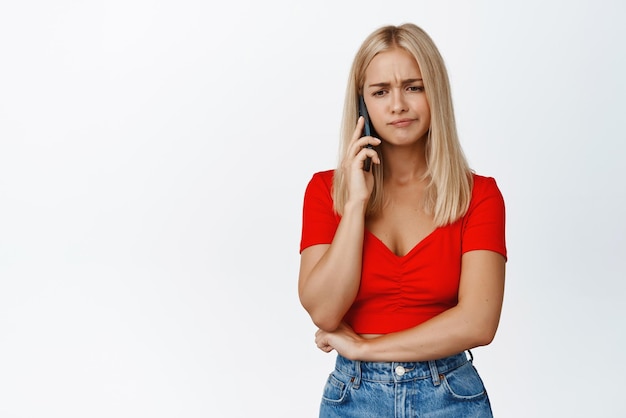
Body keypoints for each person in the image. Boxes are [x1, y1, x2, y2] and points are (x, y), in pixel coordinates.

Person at [298, 23, 507, 417]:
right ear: (362, 103)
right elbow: (324, 312)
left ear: (436, 93)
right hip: (353, 398)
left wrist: (367, 349)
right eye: (380, 92)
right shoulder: (325, 191)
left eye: (414, 86)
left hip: (450, 396)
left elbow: (478, 322)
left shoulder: (479, 195)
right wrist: (356, 204)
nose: (397, 105)